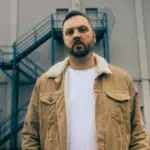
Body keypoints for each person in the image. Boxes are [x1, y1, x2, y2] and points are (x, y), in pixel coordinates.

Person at [22, 10, 150, 150]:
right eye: (70, 32)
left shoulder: (122, 79)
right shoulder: (45, 83)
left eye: (82, 29)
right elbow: (30, 135)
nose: (76, 35)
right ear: (64, 40)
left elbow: (138, 135)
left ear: (94, 36)